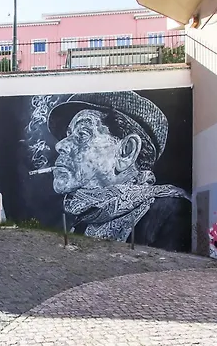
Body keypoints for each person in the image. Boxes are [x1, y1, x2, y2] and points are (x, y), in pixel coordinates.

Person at [47, 91, 191, 251]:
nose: (60, 145)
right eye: (67, 135)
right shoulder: (84, 218)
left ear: (126, 151)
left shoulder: (171, 212)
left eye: (82, 134)